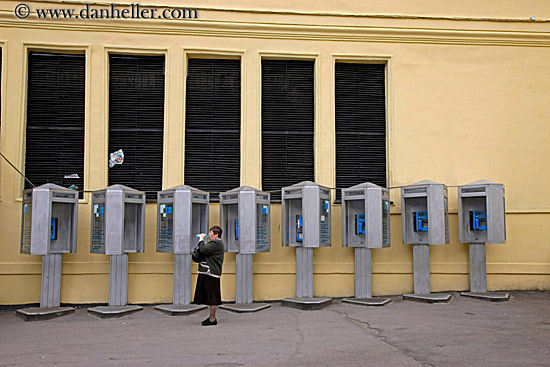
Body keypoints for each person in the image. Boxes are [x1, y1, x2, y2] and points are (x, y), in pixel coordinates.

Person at [192, 225, 225, 326]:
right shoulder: (215, 243)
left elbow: (203, 250)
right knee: (210, 297)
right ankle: (211, 318)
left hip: (211, 273)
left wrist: (201, 240)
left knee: (213, 298)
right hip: (208, 273)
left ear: (216, 235)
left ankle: (212, 319)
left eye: (211, 233)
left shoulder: (216, 243)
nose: (209, 235)